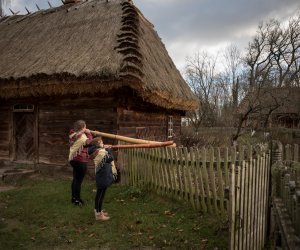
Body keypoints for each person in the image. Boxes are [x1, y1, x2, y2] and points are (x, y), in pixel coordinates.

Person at [88, 137, 117, 221]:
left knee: (100, 194)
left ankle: (97, 210)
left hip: (102, 175)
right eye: (101, 142)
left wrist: (106, 149)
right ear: (97, 144)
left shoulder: (98, 150)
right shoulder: (100, 152)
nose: (102, 143)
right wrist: (109, 150)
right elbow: (110, 158)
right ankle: (98, 214)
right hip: (102, 176)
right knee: (100, 195)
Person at [69, 120, 93, 206]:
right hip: (80, 160)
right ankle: (77, 200)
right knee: (78, 180)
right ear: (83, 127)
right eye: (85, 126)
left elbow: (75, 138)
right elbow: (89, 143)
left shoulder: (72, 133)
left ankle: (74, 198)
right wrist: (89, 133)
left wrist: (84, 131)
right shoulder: (82, 136)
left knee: (75, 179)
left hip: (73, 159)